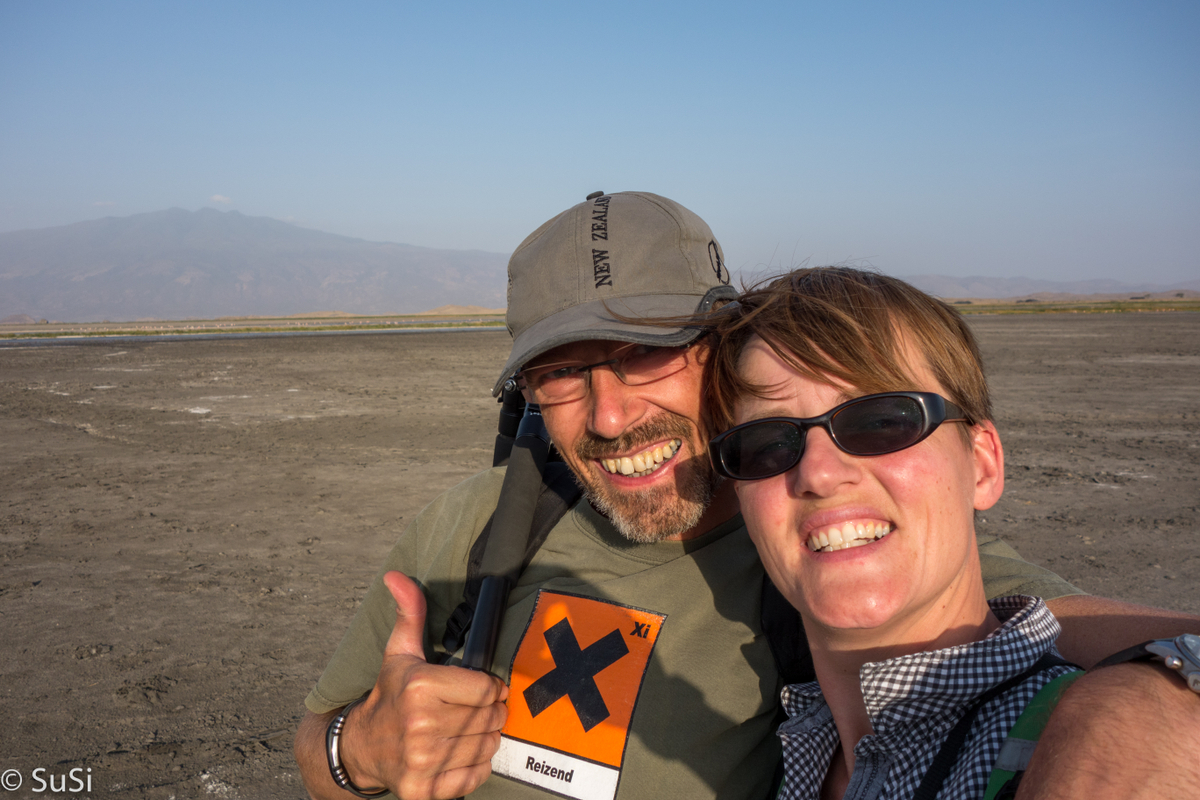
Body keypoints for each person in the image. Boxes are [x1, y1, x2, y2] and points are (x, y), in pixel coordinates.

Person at [294, 192, 1199, 800]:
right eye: (561, 376)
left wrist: (1126, 708)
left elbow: (1058, 637)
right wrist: (359, 750)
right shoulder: (482, 525)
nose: (609, 416)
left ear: (723, 349)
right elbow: (319, 746)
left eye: (648, 351)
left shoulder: (825, 539)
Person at [702, 267, 1080, 798]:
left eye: (881, 420)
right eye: (768, 443)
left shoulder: (1078, 752)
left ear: (982, 466)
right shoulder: (787, 748)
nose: (819, 473)